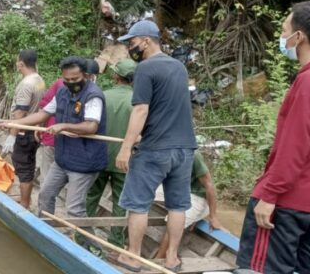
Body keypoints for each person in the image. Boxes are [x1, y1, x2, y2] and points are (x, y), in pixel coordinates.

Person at [236, 1, 310, 274]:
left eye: (283, 29)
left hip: (289, 202)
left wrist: (270, 194)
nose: (281, 36)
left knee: (263, 268)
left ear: (298, 37)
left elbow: (295, 146)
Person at [114, 20, 197, 272]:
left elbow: (141, 109)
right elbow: (168, 107)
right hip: (185, 149)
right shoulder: (179, 67)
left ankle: (133, 256)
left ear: (146, 41)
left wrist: (126, 147)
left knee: (138, 203)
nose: (131, 47)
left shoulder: (145, 69)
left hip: (156, 149)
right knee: (178, 205)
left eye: (132, 42)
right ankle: (171, 257)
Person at [3, 56, 107, 254]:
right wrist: (15, 123)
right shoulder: (61, 91)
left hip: (85, 161)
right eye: (67, 79)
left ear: (85, 75)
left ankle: (91, 247)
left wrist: (64, 125)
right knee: (45, 194)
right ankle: (46, 234)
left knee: (74, 208)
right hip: (63, 158)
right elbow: (43, 114)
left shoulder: (93, 95)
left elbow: (91, 125)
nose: (70, 84)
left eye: (75, 80)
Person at [86, 58, 136, 248]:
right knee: (120, 203)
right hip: (124, 161)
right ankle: (115, 242)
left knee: (91, 196)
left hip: (98, 157)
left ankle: (82, 234)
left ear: (116, 76)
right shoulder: (138, 103)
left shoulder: (102, 95)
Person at [155, 150, 225, 258]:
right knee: (140, 195)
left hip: (197, 197)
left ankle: (159, 259)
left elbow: (209, 186)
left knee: (173, 221)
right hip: (178, 190)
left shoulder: (192, 154)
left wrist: (213, 217)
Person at [1, 50, 46, 210]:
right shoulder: (39, 80)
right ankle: (25, 199)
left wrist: (12, 136)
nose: (16, 65)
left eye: (17, 62)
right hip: (33, 130)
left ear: (21, 63)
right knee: (29, 163)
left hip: (23, 131)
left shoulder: (26, 84)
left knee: (23, 166)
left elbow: (20, 112)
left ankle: (25, 203)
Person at [35, 77, 63, 183]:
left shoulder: (60, 83)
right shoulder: (61, 84)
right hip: (53, 137)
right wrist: (38, 126)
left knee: (47, 172)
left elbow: (44, 105)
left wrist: (38, 126)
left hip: (55, 139)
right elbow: (44, 107)